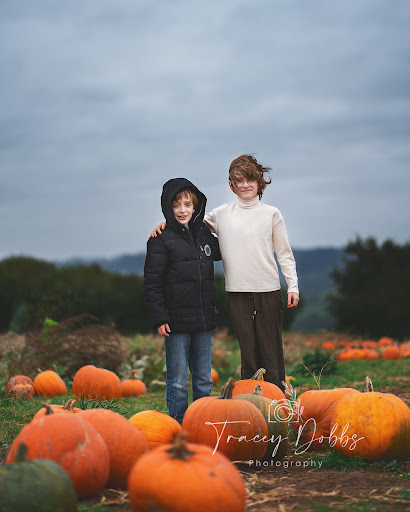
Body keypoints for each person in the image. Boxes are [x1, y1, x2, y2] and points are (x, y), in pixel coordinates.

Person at [151, 155, 299, 393]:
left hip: (268, 291)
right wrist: (165, 225)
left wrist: (292, 285)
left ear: (260, 182)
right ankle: (252, 408)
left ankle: (277, 405)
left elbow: (284, 253)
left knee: (271, 352)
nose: (245, 185)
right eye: (238, 181)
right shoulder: (221, 214)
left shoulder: (271, 214)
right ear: (231, 185)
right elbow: (189, 224)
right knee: (248, 353)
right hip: (237, 293)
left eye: (250, 180)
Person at [143, 178, 221, 424]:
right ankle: (178, 424)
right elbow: (152, 283)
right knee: (177, 380)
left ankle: (203, 422)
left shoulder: (205, 235)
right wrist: (160, 317)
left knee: (203, 378)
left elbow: (229, 246)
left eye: (188, 204)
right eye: (177, 205)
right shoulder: (160, 239)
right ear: (168, 207)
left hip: (203, 318)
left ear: (195, 206)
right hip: (175, 321)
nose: (183, 210)